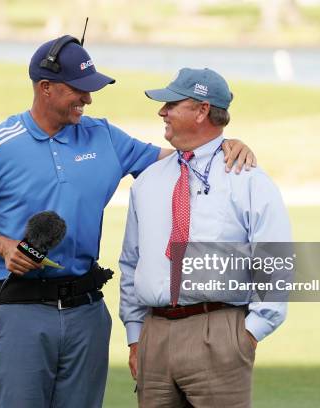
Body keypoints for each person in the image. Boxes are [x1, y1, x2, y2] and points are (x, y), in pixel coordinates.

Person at [0, 35, 256, 408]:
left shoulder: (103, 135)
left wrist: (223, 146)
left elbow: (180, 162)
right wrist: (4, 246)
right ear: (46, 89)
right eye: (79, 90)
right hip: (20, 310)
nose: (88, 100)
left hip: (86, 313)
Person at [119, 68, 291, 408]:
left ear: (201, 111)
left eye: (171, 104)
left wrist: (249, 334)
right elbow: (131, 261)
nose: (161, 112)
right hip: (155, 334)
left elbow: (275, 260)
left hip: (220, 332)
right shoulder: (148, 182)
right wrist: (135, 336)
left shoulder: (248, 180)